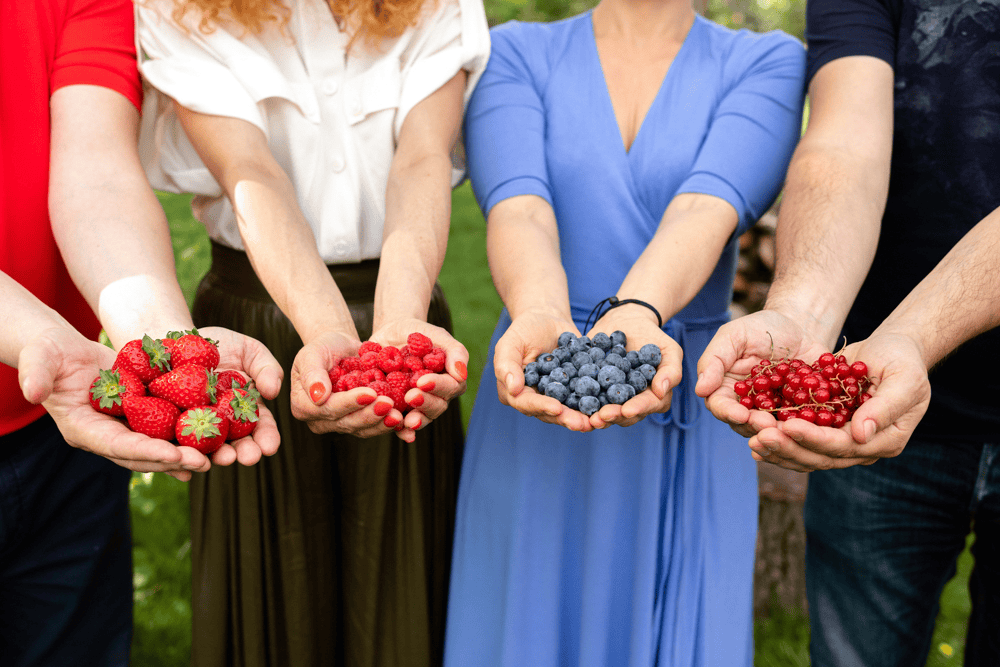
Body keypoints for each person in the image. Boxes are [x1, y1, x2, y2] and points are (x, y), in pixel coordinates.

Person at [442, 1, 805, 664]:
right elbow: (519, 207)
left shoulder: (768, 61)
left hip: (687, 382)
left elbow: (706, 207)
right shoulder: (514, 52)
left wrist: (637, 312)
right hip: (538, 372)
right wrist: (542, 313)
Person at [135, 0, 490, 664]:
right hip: (258, 316)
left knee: (401, 582)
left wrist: (397, 325)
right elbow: (251, 172)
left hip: (402, 301)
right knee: (274, 581)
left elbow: (421, 159)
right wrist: (327, 328)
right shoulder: (180, 9)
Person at [695, 0, 1000, 664]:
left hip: (888, 357)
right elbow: (844, 138)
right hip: (872, 397)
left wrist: (913, 335)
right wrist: (802, 314)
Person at [1, 1, 281, 665]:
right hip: (66, 374)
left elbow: (95, 172)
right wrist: (42, 332)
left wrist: (155, 338)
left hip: (63, 424)